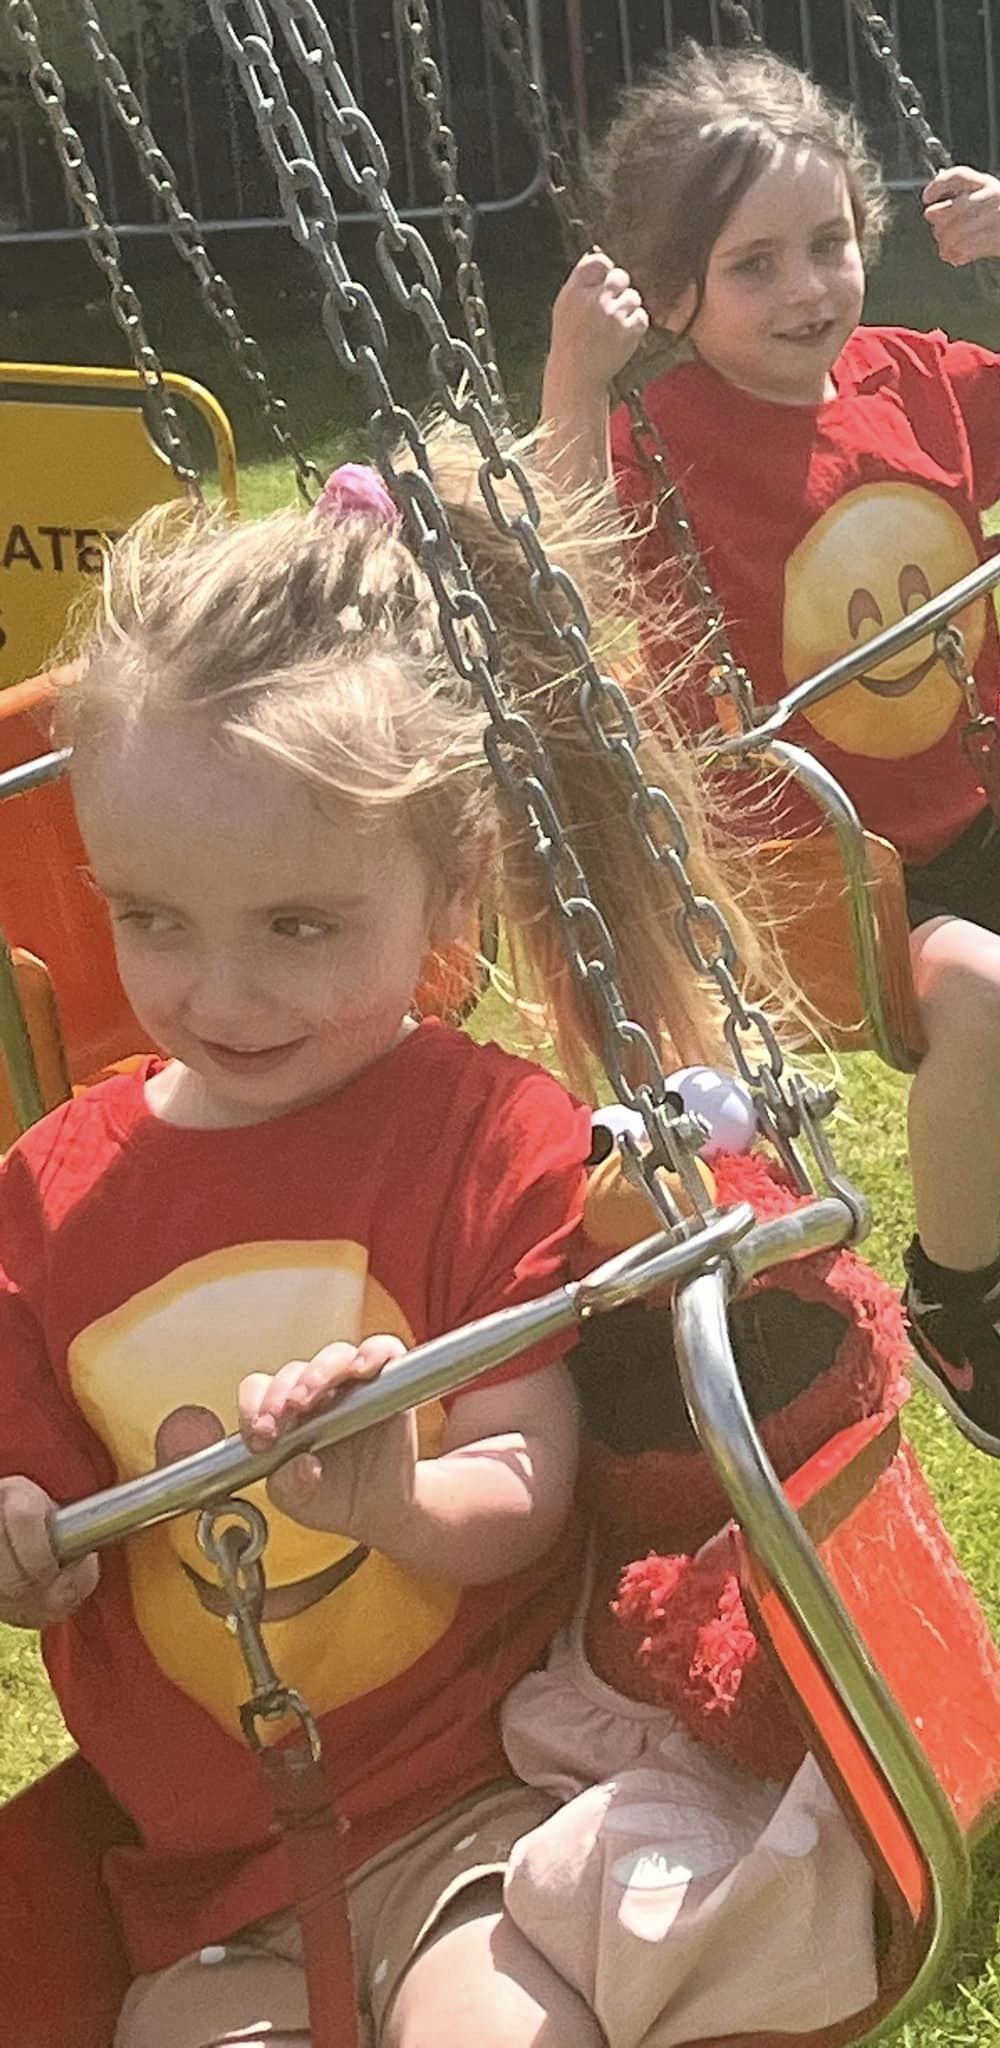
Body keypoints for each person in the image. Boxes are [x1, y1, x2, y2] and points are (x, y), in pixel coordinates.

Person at [0, 444, 874, 2048]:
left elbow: (525, 1482)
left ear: (447, 882)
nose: (217, 995)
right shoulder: (49, 1192)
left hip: (478, 1820)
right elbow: (32, 1492)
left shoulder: (489, 1135)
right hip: (210, 1887)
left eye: (299, 927)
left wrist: (394, 1492)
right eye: (152, 919)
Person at [539, 40, 1000, 1471]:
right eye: (754, 266)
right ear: (673, 295)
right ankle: (959, 1294)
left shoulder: (912, 380)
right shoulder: (660, 434)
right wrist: (573, 370)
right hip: (814, 856)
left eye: (831, 244)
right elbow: (569, 555)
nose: (809, 289)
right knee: (982, 993)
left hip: (985, 809)